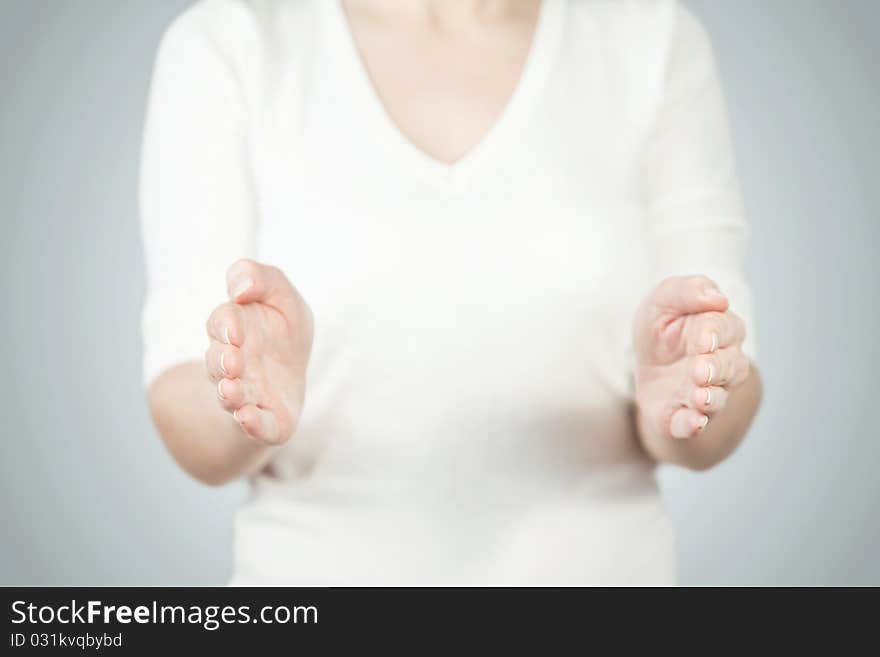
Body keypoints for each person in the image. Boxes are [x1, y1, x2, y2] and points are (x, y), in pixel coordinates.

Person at [141, 0, 762, 585]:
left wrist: (690, 395)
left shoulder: (650, 40)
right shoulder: (232, 43)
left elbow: (727, 388)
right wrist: (243, 399)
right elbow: (183, 403)